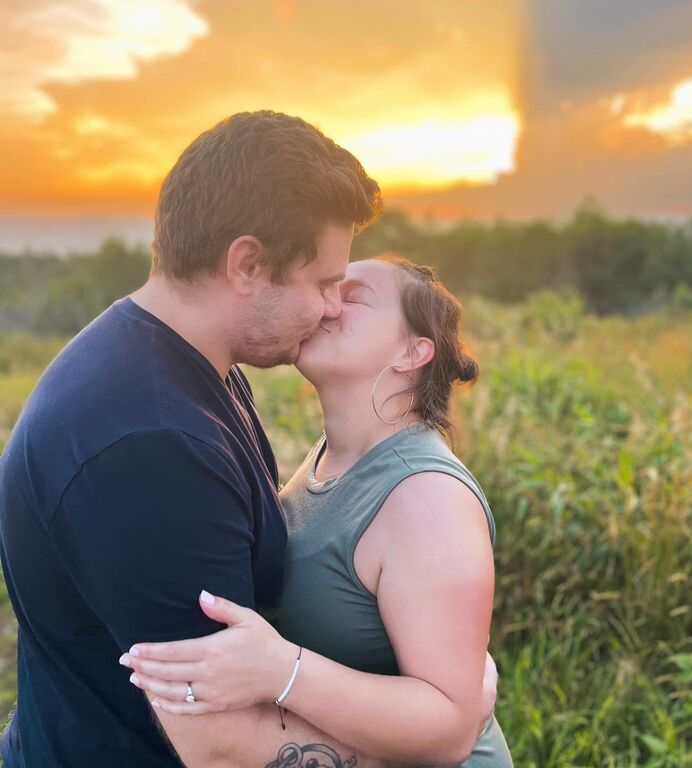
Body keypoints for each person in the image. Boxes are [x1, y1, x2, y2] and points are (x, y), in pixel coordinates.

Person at [0, 110, 396, 767]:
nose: (332, 307)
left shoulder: (183, 366)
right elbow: (221, 746)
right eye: (324, 282)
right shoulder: (148, 443)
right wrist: (437, 743)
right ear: (246, 265)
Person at [121, 255, 514, 766]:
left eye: (352, 298)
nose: (325, 303)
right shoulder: (330, 457)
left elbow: (448, 726)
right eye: (329, 287)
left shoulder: (426, 498)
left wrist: (281, 670)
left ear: (412, 352)